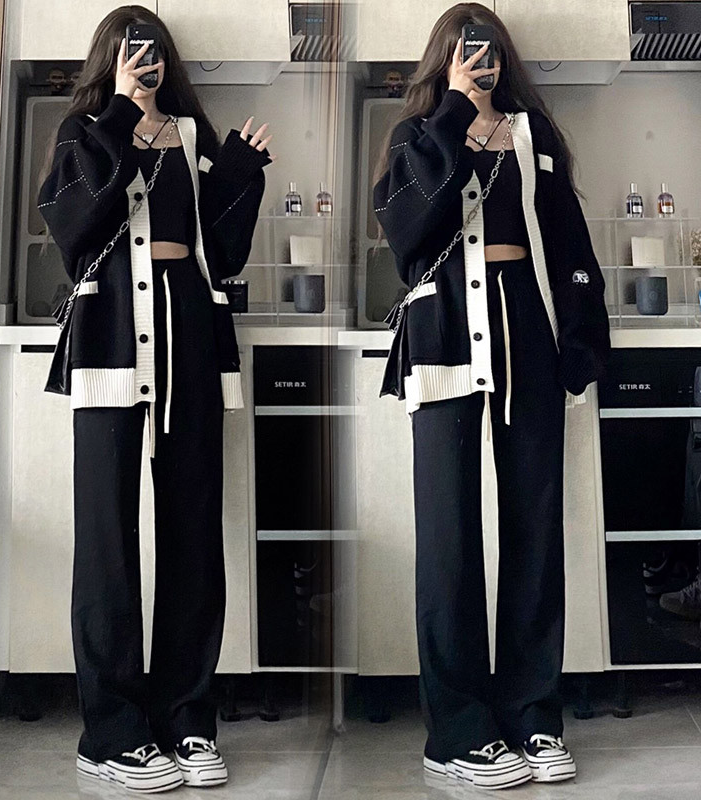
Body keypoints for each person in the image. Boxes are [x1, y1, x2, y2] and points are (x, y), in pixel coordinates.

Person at [373, 3, 610, 791]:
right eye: (467, 51)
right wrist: (452, 113)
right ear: (444, 60)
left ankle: (533, 715)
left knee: (535, 527)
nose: (483, 62)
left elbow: (568, 239)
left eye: (492, 51)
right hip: (443, 329)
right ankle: (458, 732)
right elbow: (409, 233)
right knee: (449, 534)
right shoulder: (415, 137)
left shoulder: (534, 136)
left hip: (528, 328)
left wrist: (582, 338)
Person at [36, 6, 273, 793]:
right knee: (106, 534)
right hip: (109, 329)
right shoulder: (82, 134)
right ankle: (111, 733)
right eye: (132, 51)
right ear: (109, 60)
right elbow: (76, 232)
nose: (148, 61)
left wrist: (239, 174)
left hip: (190, 330)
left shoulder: (192, 137)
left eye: (156, 51)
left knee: (193, 529)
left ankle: (187, 720)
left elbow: (223, 253)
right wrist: (120, 116)